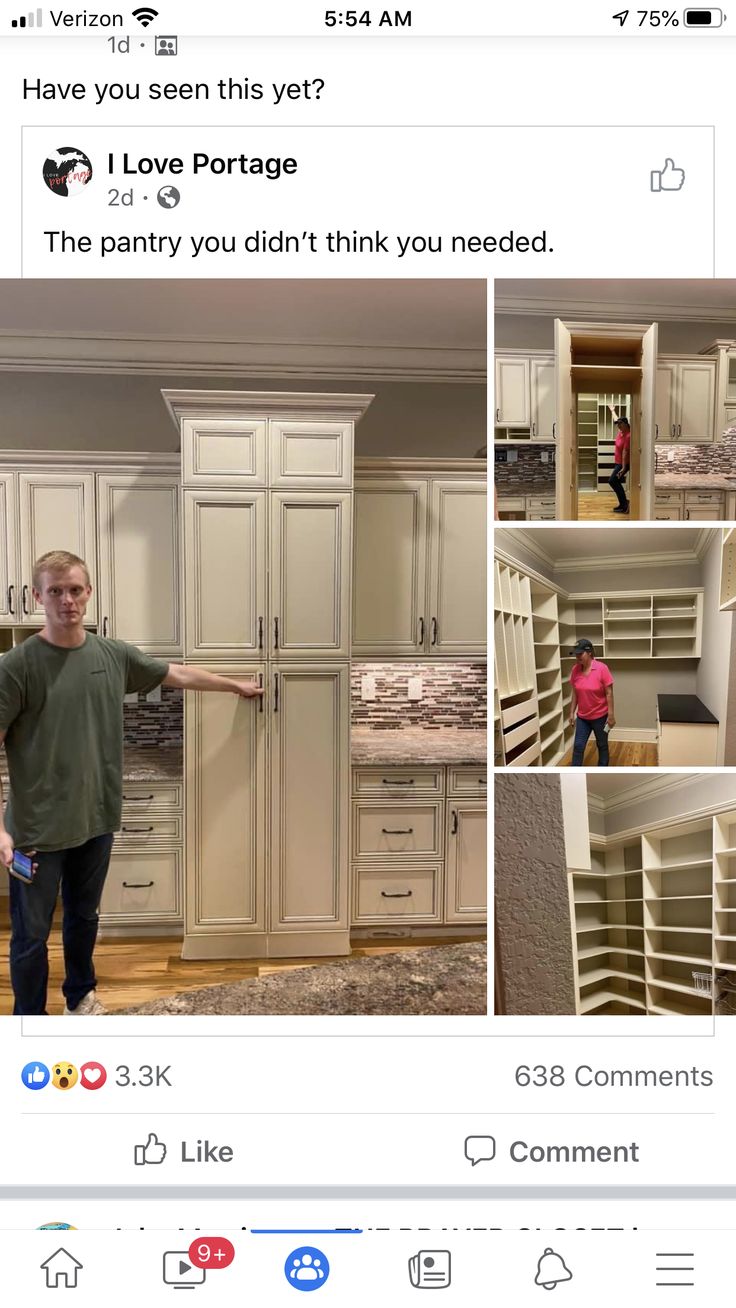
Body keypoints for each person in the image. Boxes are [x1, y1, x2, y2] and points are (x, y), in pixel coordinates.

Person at [0, 550, 263, 1017]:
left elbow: (175, 673)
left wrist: (234, 686)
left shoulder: (112, 655)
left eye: (75, 589)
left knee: (84, 918)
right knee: (29, 936)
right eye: (55, 591)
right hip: (35, 833)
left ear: (89, 594)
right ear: (37, 596)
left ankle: (80, 998)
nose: (67, 600)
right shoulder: (15, 667)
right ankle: (28, 1026)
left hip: (96, 819)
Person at [568, 638, 616, 767]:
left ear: (589, 652)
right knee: (578, 746)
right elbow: (575, 693)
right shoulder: (575, 670)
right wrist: (571, 712)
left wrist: (611, 716)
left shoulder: (602, 668)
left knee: (602, 745)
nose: (577, 657)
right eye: (576, 654)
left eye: (580, 653)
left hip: (600, 717)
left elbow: (609, 693)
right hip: (583, 717)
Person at [608, 409, 631, 515]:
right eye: (618, 424)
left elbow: (625, 451)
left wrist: (623, 467)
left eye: (620, 424)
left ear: (626, 424)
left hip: (623, 464)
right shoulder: (621, 433)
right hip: (618, 462)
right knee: (615, 481)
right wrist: (612, 411)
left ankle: (625, 504)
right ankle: (623, 504)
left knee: (612, 480)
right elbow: (615, 419)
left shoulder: (628, 435)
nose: (618, 426)